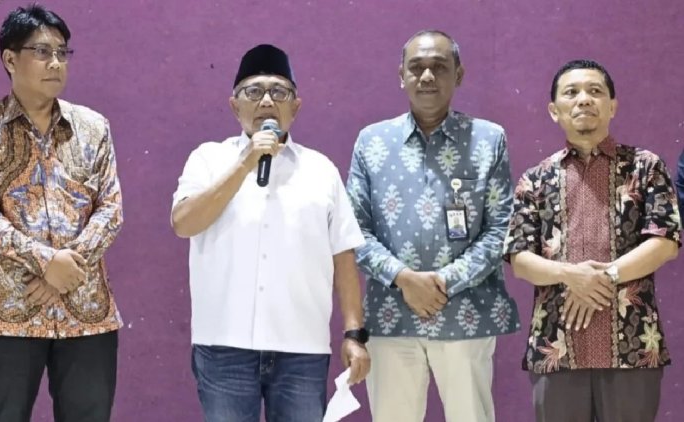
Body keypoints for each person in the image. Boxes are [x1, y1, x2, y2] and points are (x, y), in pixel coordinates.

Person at [170, 43, 370, 422]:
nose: (266, 100)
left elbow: (343, 254)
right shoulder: (208, 159)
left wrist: (354, 334)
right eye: (254, 91)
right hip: (223, 347)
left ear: (296, 107)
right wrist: (246, 163)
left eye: (279, 92)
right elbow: (183, 223)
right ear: (234, 106)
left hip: (301, 350)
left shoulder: (321, 170)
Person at [0, 4, 124, 422]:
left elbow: (111, 209)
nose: (55, 63)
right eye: (42, 51)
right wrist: (48, 262)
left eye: (62, 52)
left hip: (86, 311)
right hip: (8, 312)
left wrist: (66, 270)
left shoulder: (93, 126)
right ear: (10, 59)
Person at [346, 29, 520, 422]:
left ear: (458, 75)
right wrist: (404, 279)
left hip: (466, 314)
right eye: (417, 67)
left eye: (439, 67)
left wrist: (442, 282)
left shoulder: (488, 139)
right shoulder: (371, 142)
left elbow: (500, 230)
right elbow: (353, 230)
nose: (427, 76)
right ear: (401, 76)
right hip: (392, 315)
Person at [504, 59, 680, 422]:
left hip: (632, 346)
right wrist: (571, 276)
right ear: (554, 110)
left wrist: (606, 276)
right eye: (571, 92)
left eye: (595, 91)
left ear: (612, 106)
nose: (584, 99)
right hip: (556, 348)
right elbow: (519, 259)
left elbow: (665, 241)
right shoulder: (535, 179)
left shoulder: (646, 167)